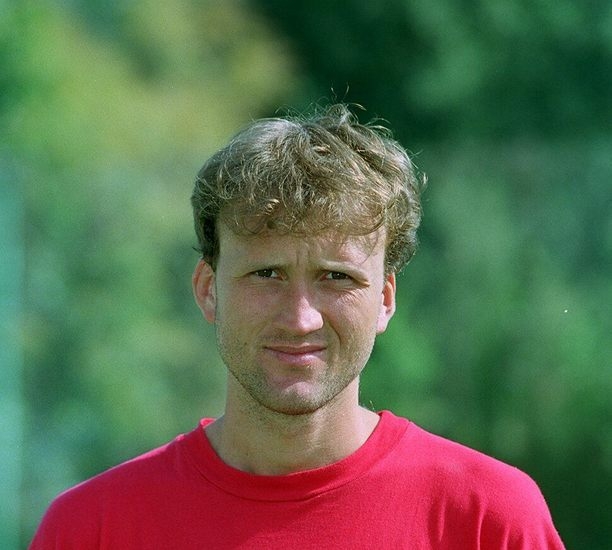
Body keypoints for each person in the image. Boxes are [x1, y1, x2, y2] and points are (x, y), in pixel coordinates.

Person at [30, 104, 565, 549]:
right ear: (208, 289)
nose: (300, 317)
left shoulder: (486, 519)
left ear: (384, 299)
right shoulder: (91, 529)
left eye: (336, 277)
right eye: (267, 273)